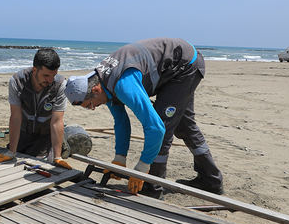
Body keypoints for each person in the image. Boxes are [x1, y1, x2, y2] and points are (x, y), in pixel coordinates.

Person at [64, 37, 224, 198]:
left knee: (163, 126)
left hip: (184, 66)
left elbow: (156, 129)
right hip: (170, 67)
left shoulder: (123, 85)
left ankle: (151, 187)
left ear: (96, 90)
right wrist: (120, 157)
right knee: (184, 126)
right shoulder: (100, 82)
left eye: (90, 104)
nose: (93, 108)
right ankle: (210, 180)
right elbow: (121, 121)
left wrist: (142, 167)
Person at [6, 48, 72, 169]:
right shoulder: (17, 82)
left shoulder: (61, 85)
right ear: (35, 70)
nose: (50, 80)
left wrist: (58, 157)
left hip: (45, 137)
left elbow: (56, 121)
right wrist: (11, 151)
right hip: (24, 133)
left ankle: (61, 149)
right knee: (11, 165)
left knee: (39, 166)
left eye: (54, 75)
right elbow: (15, 118)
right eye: (46, 75)